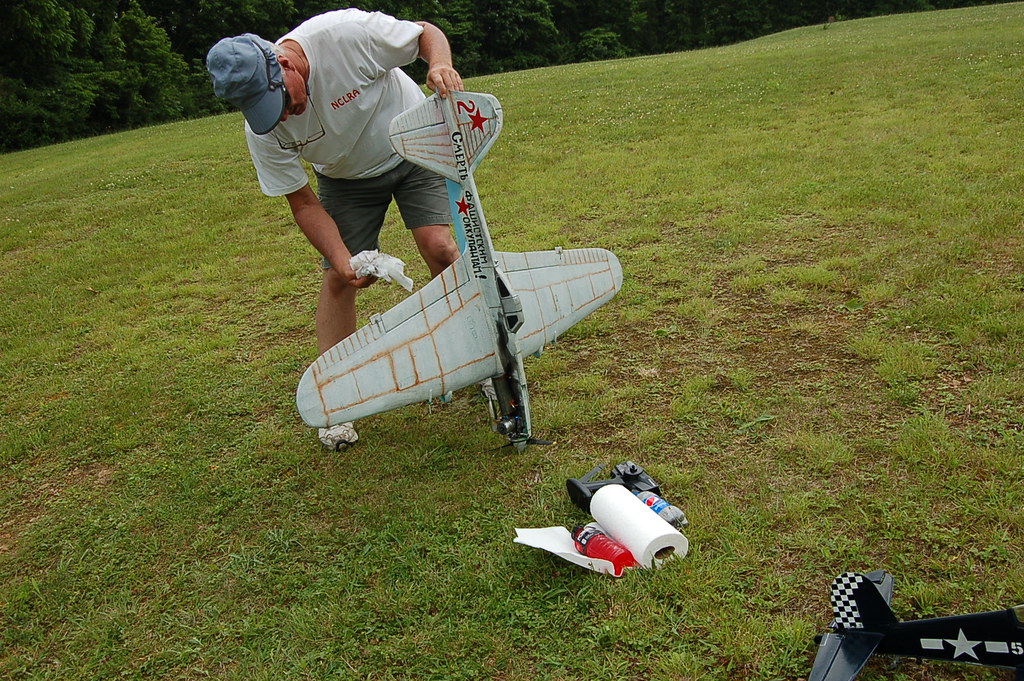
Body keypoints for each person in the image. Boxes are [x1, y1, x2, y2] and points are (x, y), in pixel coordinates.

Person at [206, 9, 465, 450]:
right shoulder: (263, 129)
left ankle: (480, 346)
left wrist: (439, 64)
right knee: (338, 280)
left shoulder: (343, 36)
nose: (286, 114)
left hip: (412, 142)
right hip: (346, 180)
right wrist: (344, 262)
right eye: (269, 112)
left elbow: (426, 34)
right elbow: (303, 202)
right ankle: (337, 400)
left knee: (439, 246)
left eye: (283, 100)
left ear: (284, 63)